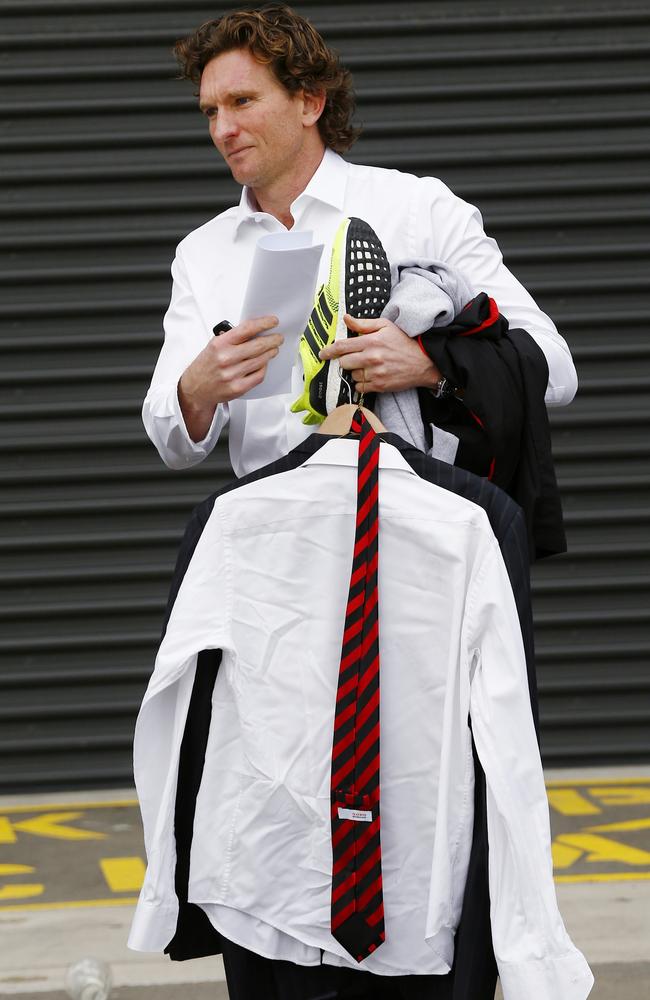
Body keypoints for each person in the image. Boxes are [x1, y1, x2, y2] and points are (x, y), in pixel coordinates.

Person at [142, 3, 577, 483]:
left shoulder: (419, 207)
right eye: (211, 111)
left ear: (310, 102)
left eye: (242, 101)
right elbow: (172, 443)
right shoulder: (202, 252)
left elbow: (553, 368)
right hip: (275, 536)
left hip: (415, 529)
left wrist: (429, 364)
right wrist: (198, 389)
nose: (222, 129)